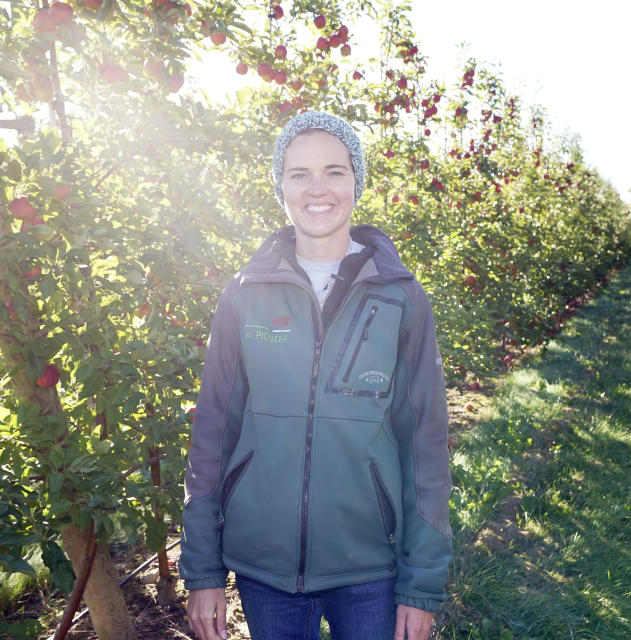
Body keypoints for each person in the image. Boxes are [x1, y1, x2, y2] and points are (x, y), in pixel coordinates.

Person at [178, 110, 452, 640]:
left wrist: (421, 585)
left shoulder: (400, 296)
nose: (317, 188)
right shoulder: (245, 293)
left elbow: (425, 447)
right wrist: (204, 570)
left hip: (371, 567)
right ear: (280, 186)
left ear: (357, 182)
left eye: (335, 171)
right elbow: (211, 437)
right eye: (298, 173)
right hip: (266, 569)